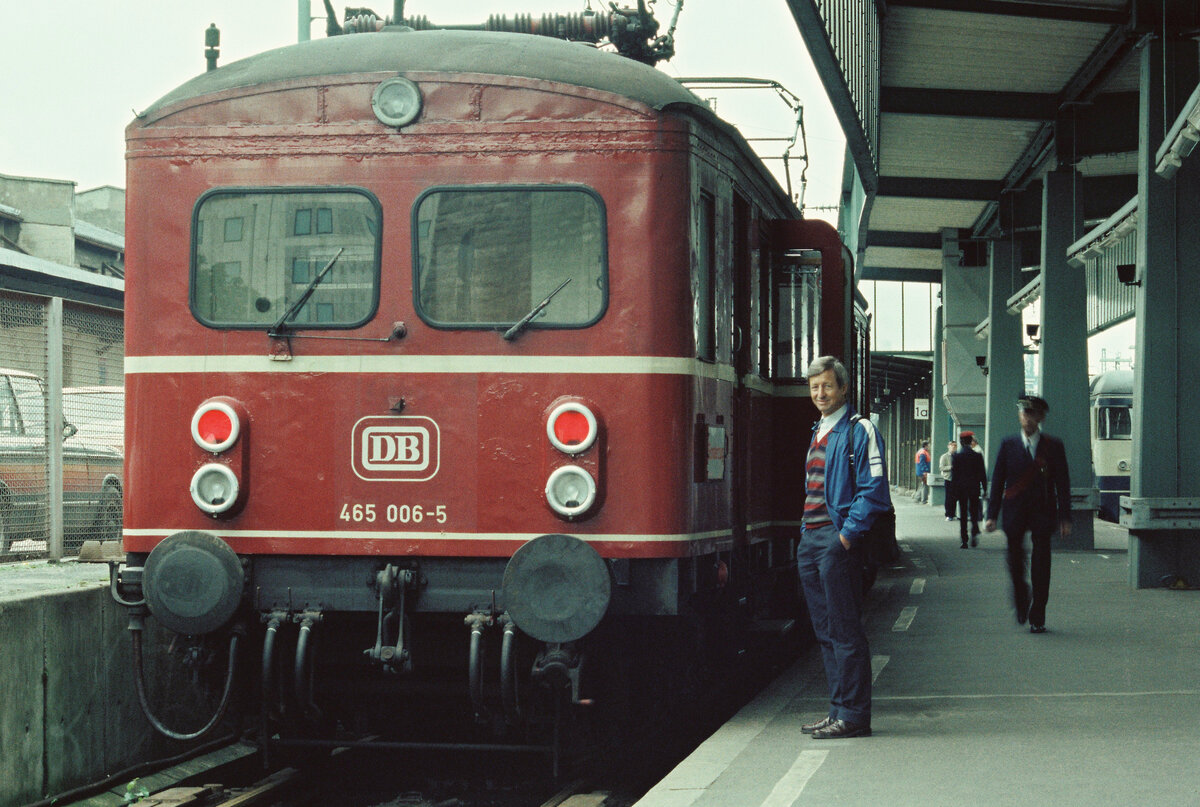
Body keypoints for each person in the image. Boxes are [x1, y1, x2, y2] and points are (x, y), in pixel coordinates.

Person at [797, 355, 892, 739]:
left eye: (827, 386)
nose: (820, 393)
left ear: (843, 388)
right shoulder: (818, 430)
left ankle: (853, 716)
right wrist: (807, 533)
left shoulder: (859, 429)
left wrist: (845, 537)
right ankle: (838, 708)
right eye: (814, 386)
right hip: (812, 540)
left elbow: (874, 491)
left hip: (837, 542)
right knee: (824, 630)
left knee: (845, 629)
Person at [984, 395, 1072, 633]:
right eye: (1023, 412)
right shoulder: (1008, 444)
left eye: (1032, 413)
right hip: (1014, 512)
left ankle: (1038, 613)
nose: (1027, 417)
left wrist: (1065, 517)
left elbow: (1062, 483)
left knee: (1042, 564)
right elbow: (998, 480)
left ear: (1041, 417)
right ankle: (1022, 597)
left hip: (1043, 512)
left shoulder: (1053, 446)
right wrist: (991, 514)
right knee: (1014, 562)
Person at [952, 431, 987, 548]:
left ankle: (964, 540)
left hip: (962, 488)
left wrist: (954, 492)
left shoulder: (956, 456)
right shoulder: (977, 456)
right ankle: (974, 531)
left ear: (961, 442)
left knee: (963, 513)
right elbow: (982, 474)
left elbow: (954, 475)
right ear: (970, 441)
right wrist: (985, 488)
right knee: (973, 511)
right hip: (974, 487)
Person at [939, 440, 957, 520]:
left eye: (955, 445)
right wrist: (950, 467)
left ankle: (953, 513)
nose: (953, 447)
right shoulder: (944, 456)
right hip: (948, 479)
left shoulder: (957, 456)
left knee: (955, 497)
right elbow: (941, 467)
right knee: (949, 497)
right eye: (952, 445)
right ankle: (948, 514)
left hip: (956, 479)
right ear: (948, 446)